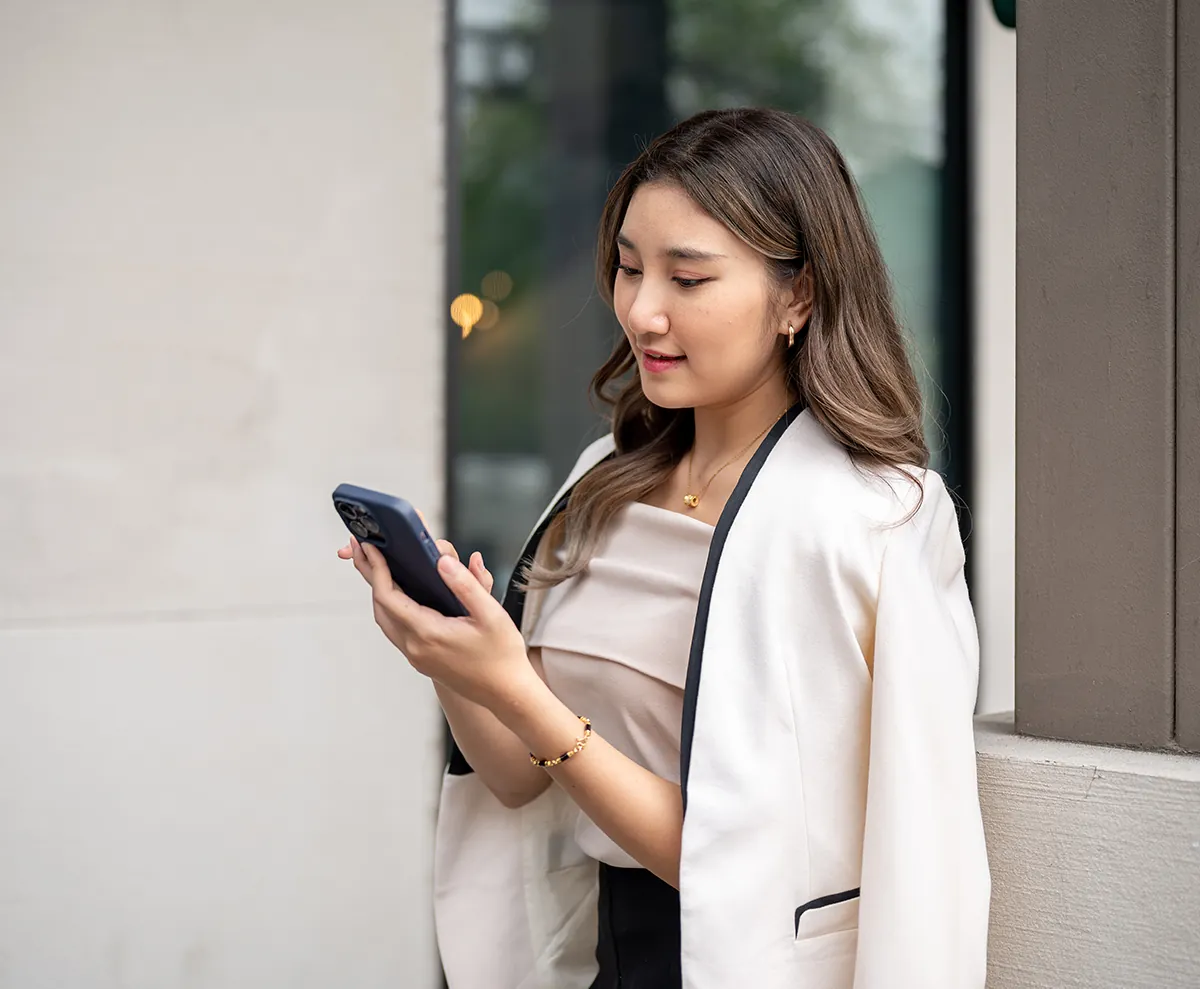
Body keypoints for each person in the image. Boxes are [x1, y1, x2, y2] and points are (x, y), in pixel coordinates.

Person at [338, 106, 990, 989]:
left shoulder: (873, 519)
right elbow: (517, 780)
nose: (642, 310)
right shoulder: (603, 478)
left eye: (688, 277)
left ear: (798, 294)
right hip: (604, 956)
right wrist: (457, 662)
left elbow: (790, 860)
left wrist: (518, 694)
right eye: (629, 267)